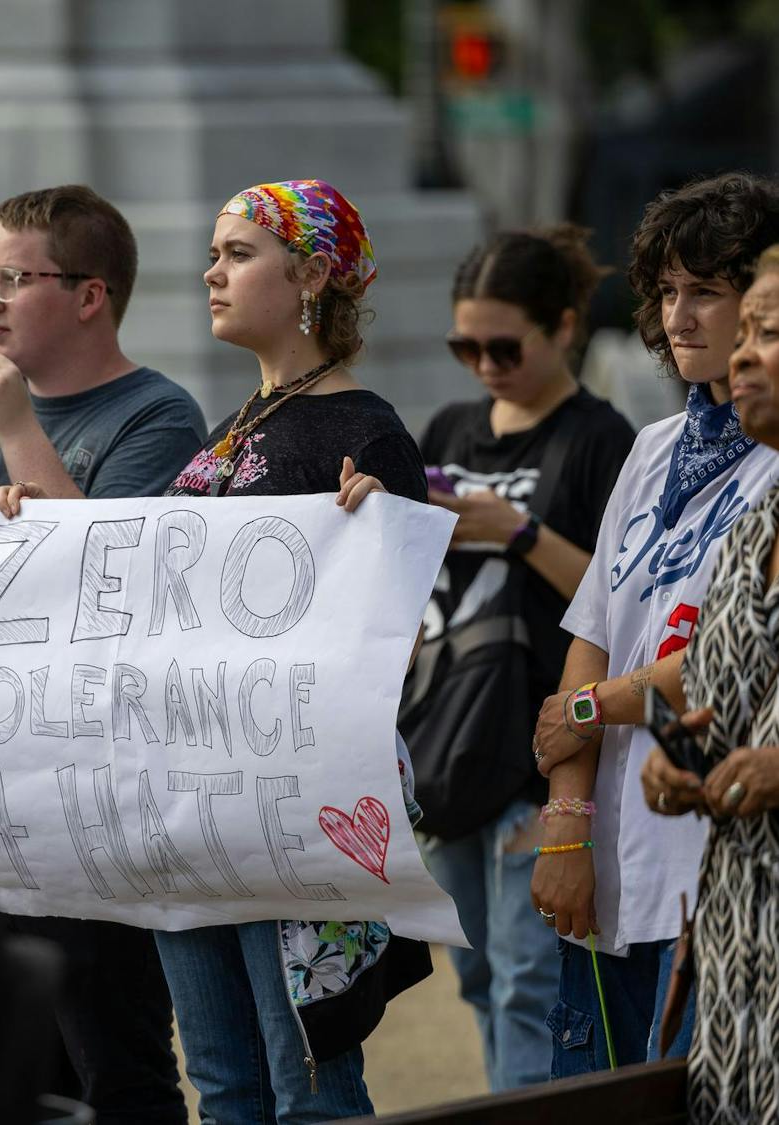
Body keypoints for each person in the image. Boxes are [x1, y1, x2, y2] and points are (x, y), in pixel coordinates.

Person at [0, 180, 424, 1123]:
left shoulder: (365, 430)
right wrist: (38, 529)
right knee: (226, 1083)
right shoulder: (237, 428)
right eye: (215, 252)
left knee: (304, 1080)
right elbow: (146, 590)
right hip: (189, 800)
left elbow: (399, 636)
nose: (210, 272)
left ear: (310, 273)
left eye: (238, 253)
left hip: (287, 806)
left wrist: (373, 540)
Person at [0, 184, 204, 1125]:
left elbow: (115, 587)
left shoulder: (156, 416)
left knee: (117, 1060)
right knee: (14, 1070)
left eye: (15, 279)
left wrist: (20, 431)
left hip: (95, 794)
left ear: (90, 296)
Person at [530, 172, 779, 1076]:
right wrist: (565, 827)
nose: (680, 316)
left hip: (717, 874)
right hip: (606, 869)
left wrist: (592, 707)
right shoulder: (651, 448)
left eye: (706, 290)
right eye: (668, 291)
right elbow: (590, 634)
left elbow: (727, 657)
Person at [408, 227, 635, 1090]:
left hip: (540, 751)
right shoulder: (454, 425)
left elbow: (620, 596)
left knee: (527, 984)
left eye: (505, 345)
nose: (484, 365)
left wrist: (521, 534)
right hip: (445, 741)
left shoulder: (599, 436)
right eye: (466, 345)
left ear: (565, 327)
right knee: (474, 975)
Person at [644, 244, 779, 1123]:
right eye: (751, 332)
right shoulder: (755, 523)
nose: (742, 353)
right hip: (742, 945)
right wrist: (680, 762)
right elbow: (718, 703)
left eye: (771, 333)